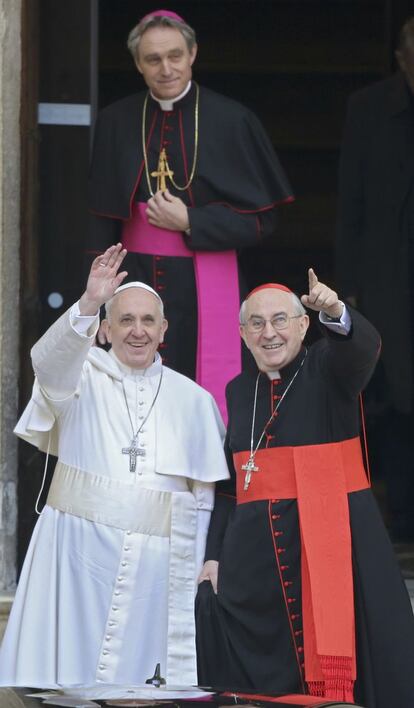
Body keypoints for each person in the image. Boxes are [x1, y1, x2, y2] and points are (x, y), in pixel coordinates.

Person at [0, 243, 229, 688]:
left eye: (148, 321)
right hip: (74, 561)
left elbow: (203, 499)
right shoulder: (80, 376)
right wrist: (89, 301)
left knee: (147, 688)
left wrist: (197, 569)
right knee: (67, 680)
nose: (137, 331)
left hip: (156, 577)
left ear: (164, 329)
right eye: (125, 319)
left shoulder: (194, 401)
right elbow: (45, 363)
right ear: (105, 329)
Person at [195, 269, 414, 707]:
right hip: (258, 567)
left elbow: (363, 350)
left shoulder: (327, 368)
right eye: (256, 323)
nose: (269, 332)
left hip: (335, 550)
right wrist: (213, 556)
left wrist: (335, 310)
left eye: (280, 320)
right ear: (242, 333)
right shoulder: (238, 392)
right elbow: (229, 486)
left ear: (303, 325)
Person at [88, 9, 293, 420]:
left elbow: (263, 221)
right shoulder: (116, 120)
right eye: (153, 59)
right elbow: (99, 218)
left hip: (202, 289)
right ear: (138, 64)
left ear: (193, 53)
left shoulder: (232, 120)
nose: (166, 68)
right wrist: (95, 300)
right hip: (135, 277)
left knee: (199, 398)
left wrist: (191, 222)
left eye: (175, 55)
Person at [335, 16, 414, 541]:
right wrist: (347, 289)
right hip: (390, 276)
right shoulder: (368, 108)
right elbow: (351, 205)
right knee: (398, 398)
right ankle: (405, 520)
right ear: (402, 57)